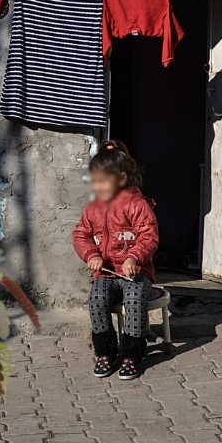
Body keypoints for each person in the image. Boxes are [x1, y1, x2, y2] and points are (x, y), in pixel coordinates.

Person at [71, 140, 159, 380]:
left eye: (103, 181)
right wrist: (92, 255)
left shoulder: (137, 204)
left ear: (121, 178)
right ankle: (105, 352)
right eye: (94, 181)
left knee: (133, 298)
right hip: (107, 273)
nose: (97, 186)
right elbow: (81, 235)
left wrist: (134, 257)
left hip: (136, 273)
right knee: (96, 299)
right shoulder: (93, 208)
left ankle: (131, 354)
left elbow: (149, 235)